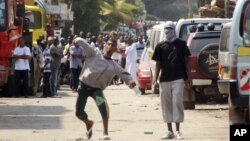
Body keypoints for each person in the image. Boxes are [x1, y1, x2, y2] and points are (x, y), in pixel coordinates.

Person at [73, 37, 136, 140]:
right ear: (105, 45)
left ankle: (105, 133)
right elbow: (85, 44)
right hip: (83, 86)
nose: (110, 46)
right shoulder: (94, 53)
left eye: (113, 45)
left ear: (115, 49)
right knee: (78, 112)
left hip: (96, 90)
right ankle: (88, 123)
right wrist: (77, 40)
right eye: (109, 44)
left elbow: (124, 73)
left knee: (103, 107)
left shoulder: (113, 65)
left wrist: (131, 81)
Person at [152, 21, 191, 140]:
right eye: (166, 28)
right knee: (166, 104)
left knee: (177, 101)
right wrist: (155, 81)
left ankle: (178, 131)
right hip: (164, 79)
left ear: (174, 29)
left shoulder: (181, 44)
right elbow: (158, 64)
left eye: (170, 28)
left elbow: (187, 62)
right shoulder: (160, 46)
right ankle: (169, 131)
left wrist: (188, 78)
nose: (168, 30)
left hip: (178, 78)